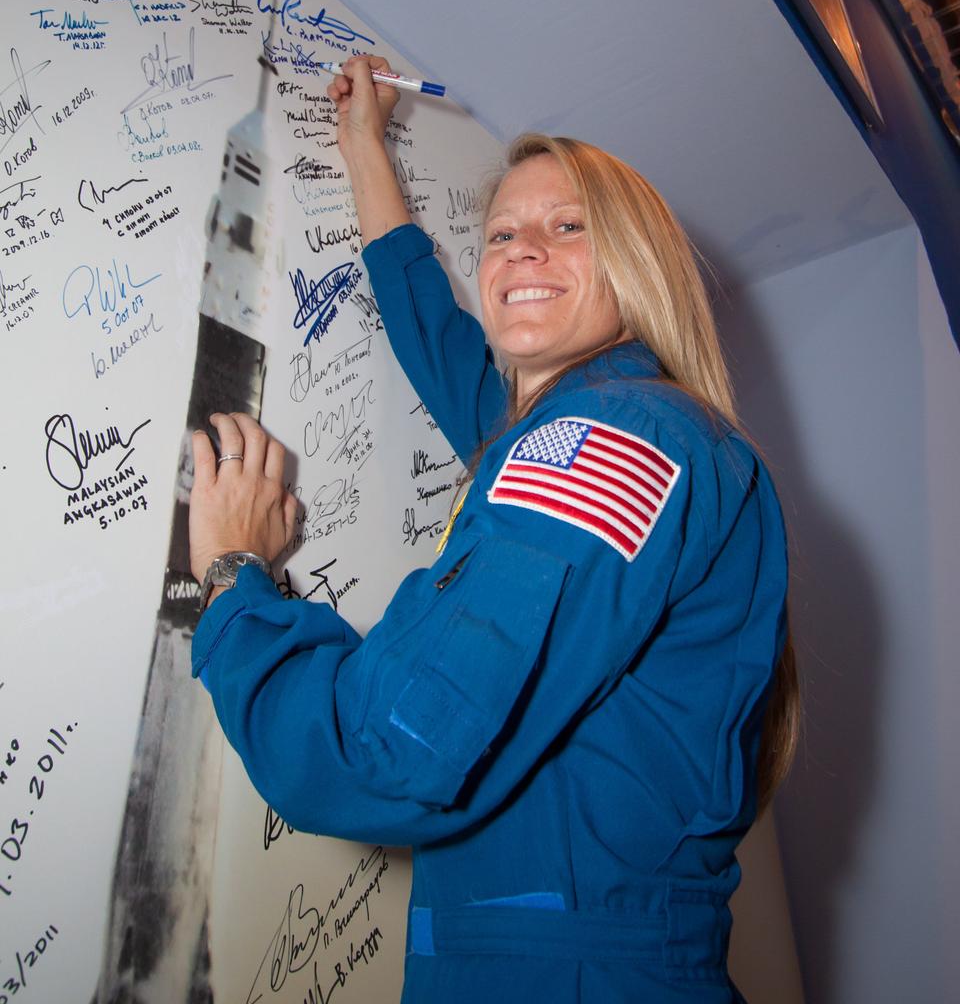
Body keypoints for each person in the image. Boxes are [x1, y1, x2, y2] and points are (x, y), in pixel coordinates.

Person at [189, 56, 797, 1003]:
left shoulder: (614, 437)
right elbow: (445, 346)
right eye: (502, 232)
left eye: (567, 228)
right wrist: (364, 151)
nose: (520, 250)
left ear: (638, 266)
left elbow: (385, 751)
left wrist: (236, 575)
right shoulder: (584, 428)